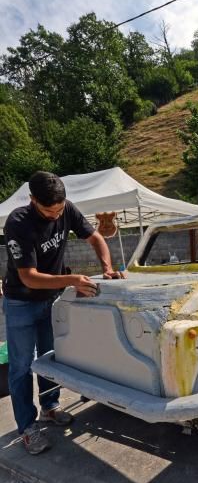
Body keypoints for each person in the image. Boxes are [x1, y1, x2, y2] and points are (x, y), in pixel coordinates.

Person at [2, 171, 124, 455]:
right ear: (32, 200)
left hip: (50, 300)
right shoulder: (18, 222)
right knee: (21, 366)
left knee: (51, 358)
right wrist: (72, 281)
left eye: (59, 209)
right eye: (48, 211)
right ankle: (27, 427)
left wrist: (106, 267)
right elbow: (29, 277)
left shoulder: (66, 208)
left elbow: (95, 237)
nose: (56, 216)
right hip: (21, 302)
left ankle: (50, 407)